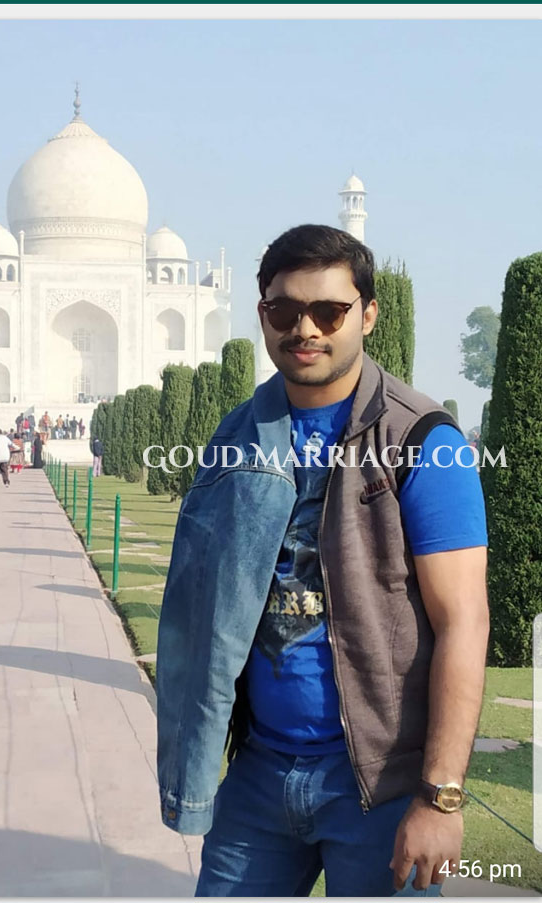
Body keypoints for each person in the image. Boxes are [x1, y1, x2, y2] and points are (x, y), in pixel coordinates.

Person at [155, 225, 489, 897]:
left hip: (380, 786)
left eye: (329, 311)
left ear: (367, 315)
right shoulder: (239, 434)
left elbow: (464, 621)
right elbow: (200, 602)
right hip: (259, 772)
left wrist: (441, 797)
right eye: (284, 310)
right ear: (263, 315)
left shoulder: (421, 439)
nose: (304, 328)